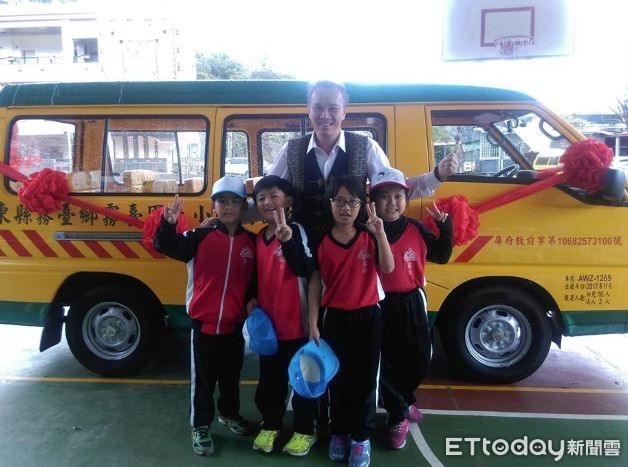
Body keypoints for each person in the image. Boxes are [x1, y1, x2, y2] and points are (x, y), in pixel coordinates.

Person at [268, 80, 458, 234]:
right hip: (302, 249)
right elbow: (268, 195)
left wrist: (437, 175)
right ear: (309, 109)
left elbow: (395, 190)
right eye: (318, 107)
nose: (325, 115)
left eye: (333, 108)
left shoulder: (366, 147)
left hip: (354, 250)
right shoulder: (291, 150)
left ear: (344, 112)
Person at [153, 176, 256, 456]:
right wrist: (168, 224)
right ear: (214, 206)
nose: (228, 207)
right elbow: (166, 245)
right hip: (203, 325)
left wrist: (252, 301)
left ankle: (229, 414)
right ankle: (200, 425)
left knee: (231, 377)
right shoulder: (198, 237)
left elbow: (255, 283)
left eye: (234, 202)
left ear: (243, 207)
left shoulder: (252, 243)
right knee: (204, 380)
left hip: (234, 326)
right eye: (222, 201)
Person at [308, 175, 394, 467]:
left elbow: (388, 268)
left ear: (362, 205)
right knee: (337, 381)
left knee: (365, 381)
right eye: (340, 201)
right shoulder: (320, 240)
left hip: (368, 318)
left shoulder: (370, 236)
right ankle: (339, 433)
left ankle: (360, 438)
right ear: (330, 203)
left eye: (353, 201)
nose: (346, 207)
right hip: (335, 320)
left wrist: (380, 234)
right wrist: (312, 323)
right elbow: (315, 284)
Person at [369, 167, 453, 450]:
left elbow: (441, 254)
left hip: (412, 302)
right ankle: (397, 416)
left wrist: (445, 227)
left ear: (406, 199)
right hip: (379, 304)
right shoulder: (367, 231)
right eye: (384, 196)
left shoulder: (416, 228)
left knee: (417, 359)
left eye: (398, 196)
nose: (392, 202)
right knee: (385, 363)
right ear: (374, 202)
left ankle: (403, 402)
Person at [249, 175, 319, 456]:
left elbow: (306, 269)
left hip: (298, 326)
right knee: (270, 380)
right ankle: (271, 424)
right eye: (261, 198)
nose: (267, 202)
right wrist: (251, 300)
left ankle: (305, 430)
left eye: (274, 196)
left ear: (288, 201)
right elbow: (255, 276)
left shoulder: (298, 231)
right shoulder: (258, 237)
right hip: (270, 329)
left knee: (303, 380)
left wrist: (288, 241)